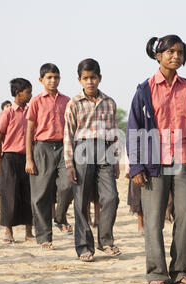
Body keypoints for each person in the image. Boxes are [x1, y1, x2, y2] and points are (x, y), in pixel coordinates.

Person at [127, 35, 186, 284]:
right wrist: (136, 166)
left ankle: (180, 270)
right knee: (153, 220)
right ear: (158, 55)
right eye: (171, 52)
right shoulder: (144, 90)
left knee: (185, 217)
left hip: (185, 160)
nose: (176, 56)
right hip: (154, 163)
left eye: (180, 52)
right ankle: (156, 273)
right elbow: (134, 128)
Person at [64, 58, 121, 263]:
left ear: (100, 78)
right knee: (81, 202)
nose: (90, 82)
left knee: (111, 197)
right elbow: (68, 134)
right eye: (86, 78)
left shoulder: (109, 102)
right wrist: (69, 164)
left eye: (93, 77)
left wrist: (115, 160)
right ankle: (84, 247)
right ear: (79, 80)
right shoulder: (74, 104)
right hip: (82, 150)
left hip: (105, 150)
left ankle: (105, 240)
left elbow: (114, 132)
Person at [25, 63, 74, 250]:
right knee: (40, 195)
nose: (53, 81)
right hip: (42, 148)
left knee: (67, 185)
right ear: (41, 80)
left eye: (56, 77)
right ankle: (44, 237)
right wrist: (29, 159)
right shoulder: (36, 101)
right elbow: (29, 131)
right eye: (49, 77)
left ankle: (60, 217)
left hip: (63, 147)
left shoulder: (67, 100)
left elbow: (72, 127)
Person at [0, 78, 35, 244]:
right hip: (10, 159)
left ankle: (28, 232)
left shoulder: (31, 112)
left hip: (27, 159)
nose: (31, 95)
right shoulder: (8, 113)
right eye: (28, 92)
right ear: (18, 94)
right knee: (9, 195)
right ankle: (8, 231)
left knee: (28, 195)